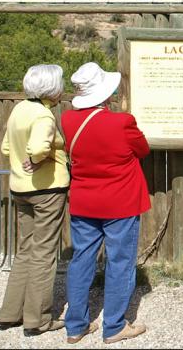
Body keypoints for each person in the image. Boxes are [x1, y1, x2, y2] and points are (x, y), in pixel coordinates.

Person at [61, 62, 150, 345]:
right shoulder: (122, 122)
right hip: (120, 202)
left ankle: (75, 325)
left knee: (80, 260)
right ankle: (114, 326)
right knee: (120, 262)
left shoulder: (67, 120)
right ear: (106, 93)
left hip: (84, 201)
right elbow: (142, 149)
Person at [0, 64, 69, 337]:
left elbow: (5, 147)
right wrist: (39, 158)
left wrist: (25, 158)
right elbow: (38, 148)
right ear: (53, 88)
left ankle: (9, 314)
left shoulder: (19, 110)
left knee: (25, 250)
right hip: (48, 190)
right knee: (44, 253)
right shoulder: (43, 115)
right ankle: (37, 320)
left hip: (20, 189)